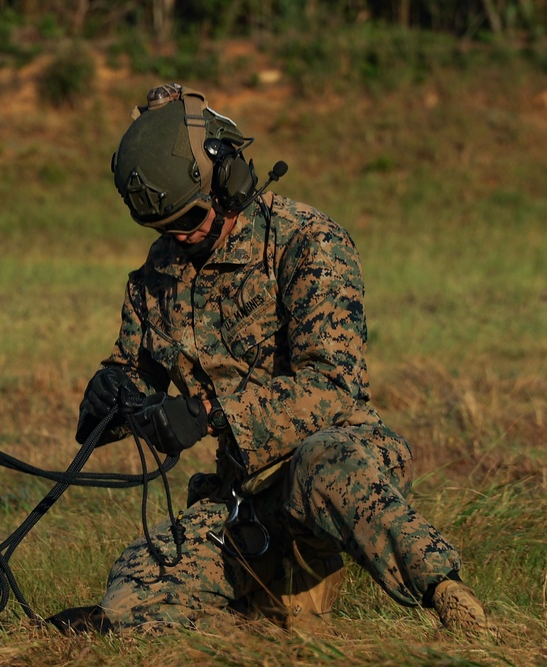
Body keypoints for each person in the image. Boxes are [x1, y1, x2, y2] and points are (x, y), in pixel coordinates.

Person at [47, 83, 488, 635]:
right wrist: (111, 393)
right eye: (165, 229)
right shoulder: (157, 276)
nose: (180, 239)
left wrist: (211, 414)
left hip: (340, 465)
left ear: (230, 182)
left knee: (325, 461)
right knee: (135, 596)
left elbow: (332, 387)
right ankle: (266, 630)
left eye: (190, 220)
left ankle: (451, 597)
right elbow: (133, 369)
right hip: (244, 500)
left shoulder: (309, 243)